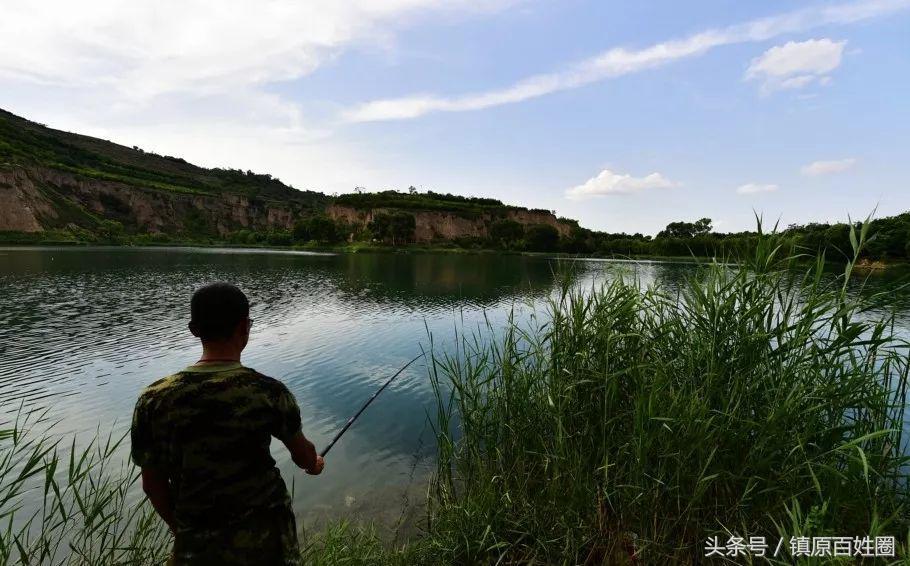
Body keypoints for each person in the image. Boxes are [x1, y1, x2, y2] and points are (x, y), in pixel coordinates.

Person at [130, 282, 324, 565]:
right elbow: (302, 455)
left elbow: (152, 484)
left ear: (194, 329)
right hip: (268, 540)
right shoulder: (269, 392)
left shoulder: (153, 399)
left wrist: (184, 531)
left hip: (195, 545)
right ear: (244, 327)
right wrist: (314, 464)